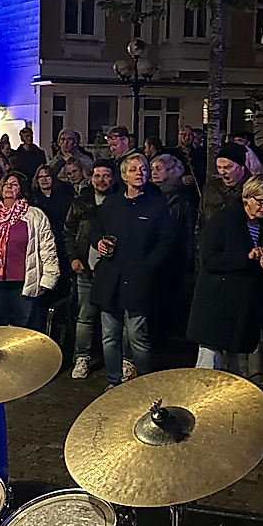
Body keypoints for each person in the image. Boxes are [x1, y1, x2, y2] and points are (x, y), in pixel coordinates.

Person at [91, 154, 174, 387]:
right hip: (110, 280)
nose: (140, 173)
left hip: (139, 281)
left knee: (137, 336)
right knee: (110, 337)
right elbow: (95, 231)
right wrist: (98, 243)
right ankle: (113, 382)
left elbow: (166, 242)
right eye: (134, 169)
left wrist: (148, 267)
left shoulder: (156, 205)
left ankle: (144, 384)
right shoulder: (112, 204)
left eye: (144, 169)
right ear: (124, 175)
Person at [189, 176, 263, 376]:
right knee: (209, 364)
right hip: (218, 303)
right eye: (261, 201)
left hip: (245, 307)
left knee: (237, 371)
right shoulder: (224, 219)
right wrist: (245, 257)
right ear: (247, 198)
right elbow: (209, 259)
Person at [0, 172, 59, 327]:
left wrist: (48, 278)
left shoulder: (35, 215)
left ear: (21, 190)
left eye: (14, 184)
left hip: (24, 282)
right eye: (6, 183)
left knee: (26, 327)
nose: (9, 186)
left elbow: (47, 249)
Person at [65, 164, 130, 380]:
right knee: (85, 316)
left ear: (114, 178)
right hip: (86, 269)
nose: (101, 179)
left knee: (117, 318)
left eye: (106, 175)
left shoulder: (122, 202)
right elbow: (68, 232)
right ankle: (82, 357)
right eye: (97, 175)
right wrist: (73, 257)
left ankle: (124, 361)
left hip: (114, 271)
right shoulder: (80, 203)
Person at [199, 142, 251, 233]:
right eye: (219, 167)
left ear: (241, 167)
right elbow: (200, 223)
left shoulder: (254, 189)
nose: (222, 172)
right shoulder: (211, 189)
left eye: (228, 167)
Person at [29, 164, 73, 258]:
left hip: (61, 238)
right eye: (41, 177)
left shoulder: (63, 196)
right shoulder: (33, 200)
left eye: (47, 176)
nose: (44, 180)